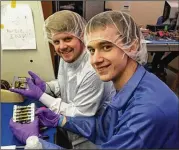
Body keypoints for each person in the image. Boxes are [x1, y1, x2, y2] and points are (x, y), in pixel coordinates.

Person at [10, 11, 179, 149]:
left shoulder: (147, 112)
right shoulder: (131, 87)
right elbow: (104, 129)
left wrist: (34, 142)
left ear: (132, 46)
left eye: (106, 47)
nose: (95, 60)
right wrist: (61, 120)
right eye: (91, 50)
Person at [9, 10, 115, 149]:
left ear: (81, 35)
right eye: (56, 41)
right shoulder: (68, 57)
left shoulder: (93, 68)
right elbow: (66, 84)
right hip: (70, 128)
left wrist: (41, 96)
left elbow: (81, 114)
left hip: (91, 139)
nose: (62, 46)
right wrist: (46, 87)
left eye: (67, 39)